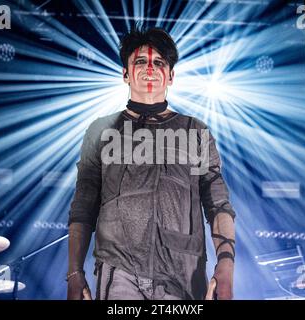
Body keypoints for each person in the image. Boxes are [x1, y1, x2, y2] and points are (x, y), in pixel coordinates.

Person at [67, 25, 236, 300]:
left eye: (159, 62)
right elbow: (83, 207)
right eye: (141, 61)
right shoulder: (101, 130)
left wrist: (226, 266)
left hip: (184, 275)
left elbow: (218, 204)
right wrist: (74, 274)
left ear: (171, 75)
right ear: (125, 73)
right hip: (119, 273)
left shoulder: (195, 130)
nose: (150, 68)